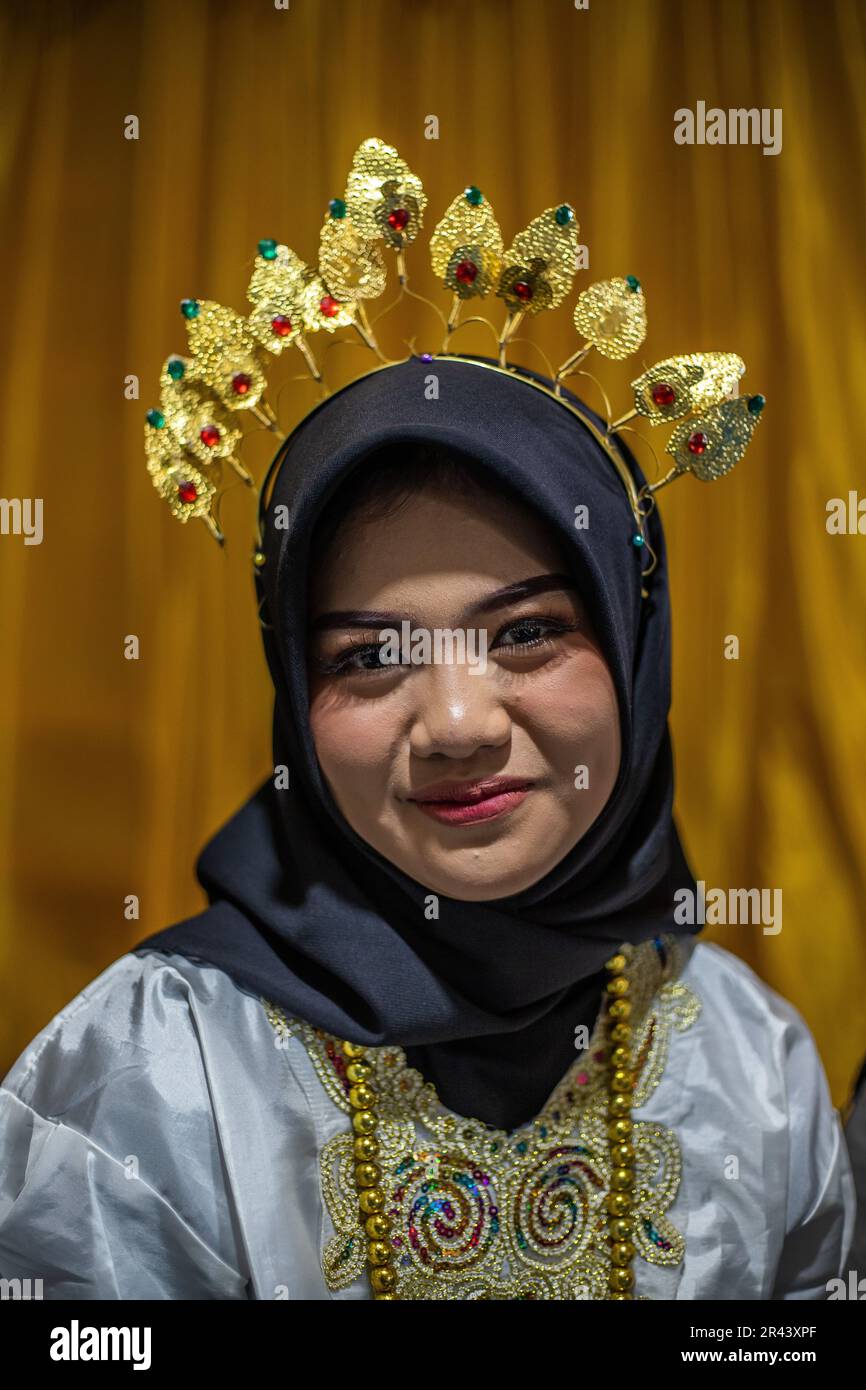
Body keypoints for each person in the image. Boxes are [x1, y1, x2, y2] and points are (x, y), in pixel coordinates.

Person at [0, 357, 856, 1300]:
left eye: (525, 632)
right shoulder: (151, 1070)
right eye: (369, 655)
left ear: (632, 639)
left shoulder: (751, 1058)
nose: (458, 725)